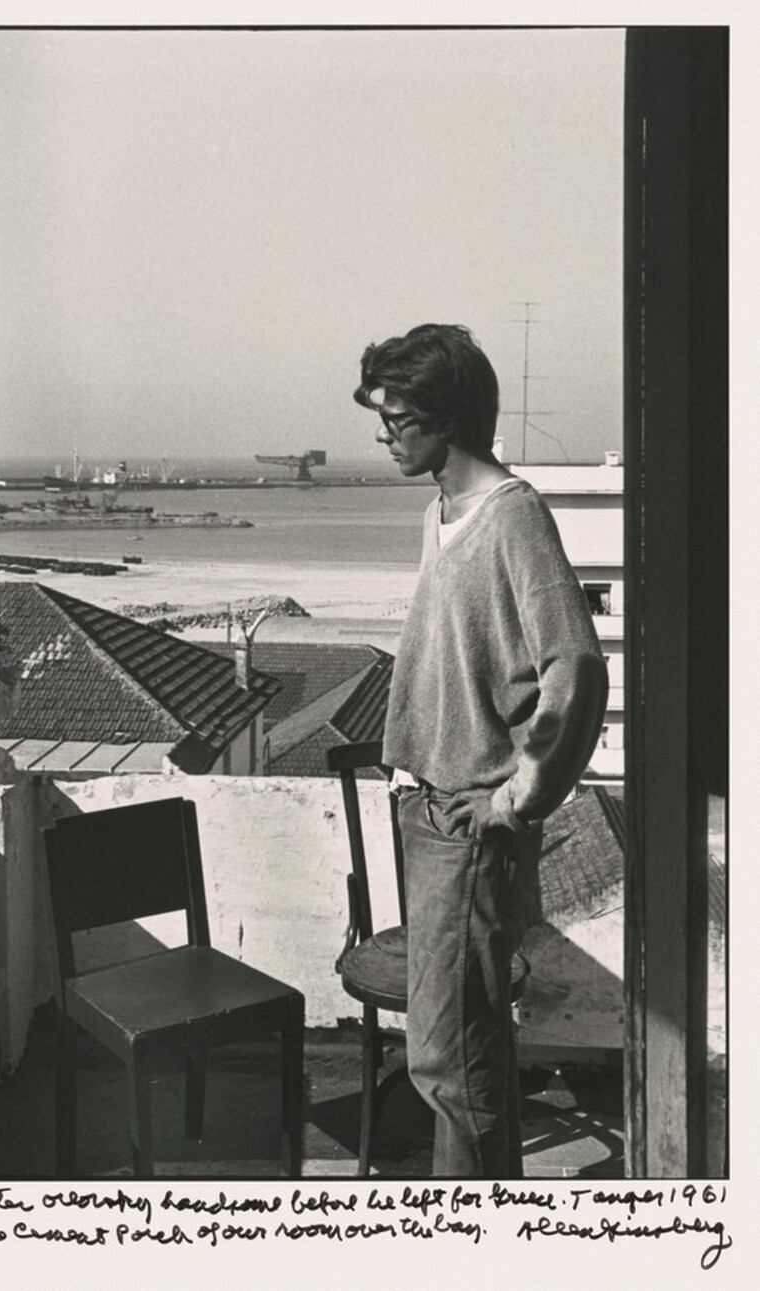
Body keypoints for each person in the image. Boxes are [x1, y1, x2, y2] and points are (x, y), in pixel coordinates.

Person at [353, 323, 608, 1178]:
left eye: (395, 418)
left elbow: (573, 667)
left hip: (468, 825)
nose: (384, 433)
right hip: (426, 812)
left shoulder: (512, 517)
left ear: (443, 417)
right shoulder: (442, 511)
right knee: (458, 1053)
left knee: (447, 1061)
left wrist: (514, 797)